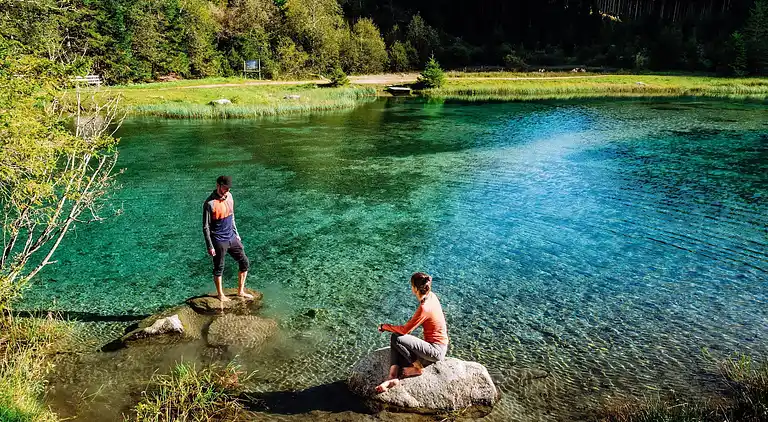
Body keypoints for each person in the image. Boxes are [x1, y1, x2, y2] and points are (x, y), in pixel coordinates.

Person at [375, 272, 449, 393]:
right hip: (437, 346)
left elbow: (405, 330)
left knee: (397, 338)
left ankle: (418, 368)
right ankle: (392, 376)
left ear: (414, 288)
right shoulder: (432, 296)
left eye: (411, 285)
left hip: (436, 350)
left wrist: (384, 326)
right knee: (397, 342)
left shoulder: (424, 308)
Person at [202, 175, 252, 302]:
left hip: (232, 237)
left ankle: (240, 291)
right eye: (225, 188)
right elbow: (206, 227)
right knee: (219, 268)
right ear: (218, 185)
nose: (227, 191)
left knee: (244, 262)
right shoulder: (209, 203)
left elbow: (232, 216)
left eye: (228, 188)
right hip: (218, 240)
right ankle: (220, 295)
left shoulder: (230, 197)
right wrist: (210, 246)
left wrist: (237, 234)